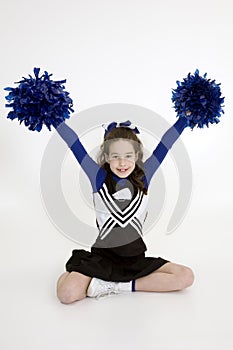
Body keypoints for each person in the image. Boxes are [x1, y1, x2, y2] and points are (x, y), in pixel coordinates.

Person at [56, 118, 194, 303]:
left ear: (137, 156)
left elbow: (166, 144)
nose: (122, 162)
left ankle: (114, 286)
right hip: (102, 259)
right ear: (106, 157)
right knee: (66, 294)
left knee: (186, 276)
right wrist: (54, 117)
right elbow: (74, 144)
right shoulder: (98, 177)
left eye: (128, 155)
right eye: (115, 156)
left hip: (134, 261)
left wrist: (185, 118)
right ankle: (92, 279)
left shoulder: (144, 176)